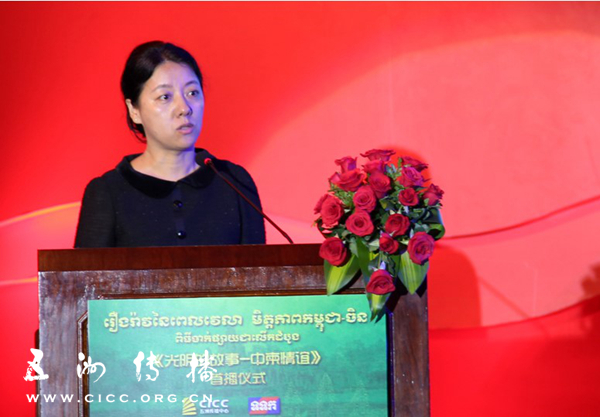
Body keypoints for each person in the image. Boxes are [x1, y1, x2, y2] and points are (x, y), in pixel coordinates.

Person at [75, 41, 265, 247]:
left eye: (192, 93)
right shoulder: (107, 192)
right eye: (165, 97)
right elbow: (87, 269)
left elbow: (260, 266)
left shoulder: (235, 183)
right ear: (134, 110)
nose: (184, 108)